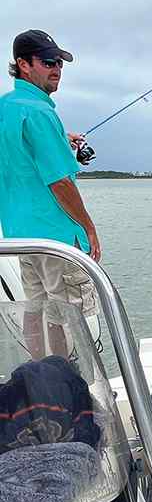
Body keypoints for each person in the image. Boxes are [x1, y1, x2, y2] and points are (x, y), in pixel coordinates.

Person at [0, 30, 101, 360]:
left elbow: (20, 160)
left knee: (36, 307)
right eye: (48, 62)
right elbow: (59, 182)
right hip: (56, 238)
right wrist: (88, 227)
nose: (56, 68)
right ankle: (67, 379)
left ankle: (41, 375)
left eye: (59, 62)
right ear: (23, 64)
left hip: (21, 236)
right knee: (68, 315)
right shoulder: (41, 113)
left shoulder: (6, 108)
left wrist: (61, 142)